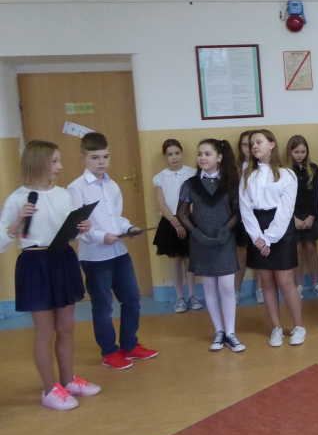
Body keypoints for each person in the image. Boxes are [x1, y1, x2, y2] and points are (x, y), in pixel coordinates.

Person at [0, 141, 101, 410]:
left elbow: (68, 230)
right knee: (44, 332)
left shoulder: (63, 195)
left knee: (66, 327)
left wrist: (81, 227)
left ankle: (68, 380)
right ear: (39, 162)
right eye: (55, 161)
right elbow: (2, 240)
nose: (60, 167)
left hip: (62, 259)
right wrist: (16, 223)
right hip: (35, 264)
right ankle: (49, 389)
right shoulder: (17, 198)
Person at [68, 132, 158, 369]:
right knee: (103, 305)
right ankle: (109, 352)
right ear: (83, 158)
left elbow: (116, 217)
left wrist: (128, 228)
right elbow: (78, 227)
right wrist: (101, 237)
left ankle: (130, 345)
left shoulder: (113, 185)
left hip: (119, 252)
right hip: (95, 257)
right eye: (95, 157)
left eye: (105, 157)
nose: (101, 162)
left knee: (132, 298)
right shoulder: (76, 188)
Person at [176, 139, 244, 352]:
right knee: (209, 286)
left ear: (219, 157)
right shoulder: (191, 184)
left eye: (207, 154)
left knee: (227, 287)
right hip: (201, 241)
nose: (203, 158)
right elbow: (181, 213)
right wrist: (196, 233)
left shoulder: (231, 182)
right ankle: (219, 331)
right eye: (200, 154)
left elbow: (238, 211)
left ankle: (231, 333)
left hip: (224, 240)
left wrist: (226, 230)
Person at [240, 129, 306, 347]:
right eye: (251, 143)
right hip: (256, 229)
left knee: (285, 281)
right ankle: (276, 327)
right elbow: (245, 209)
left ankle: (298, 326)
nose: (254, 146)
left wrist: (269, 238)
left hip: (280, 228)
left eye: (258, 142)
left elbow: (286, 211)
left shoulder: (287, 174)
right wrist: (258, 238)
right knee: (267, 282)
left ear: (271, 144)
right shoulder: (247, 175)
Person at [152, 138, 202, 313]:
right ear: (165, 156)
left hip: (188, 220)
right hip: (170, 223)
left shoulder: (192, 173)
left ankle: (192, 296)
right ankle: (180, 298)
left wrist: (184, 220)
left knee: (189, 259)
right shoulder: (160, 177)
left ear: (182, 153)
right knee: (175, 261)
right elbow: (161, 204)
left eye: (177, 153)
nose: (174, 157)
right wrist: (175, 222)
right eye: (170, 154)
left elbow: (195, 200)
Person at [287, 135, 318, 298]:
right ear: (289, 152)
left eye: (303, 152)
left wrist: (312, 216)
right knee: (296, 249)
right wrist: (293, 218)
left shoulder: (314, 169)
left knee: (311, 248)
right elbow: (283, 198)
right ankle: (298, 285)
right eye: (296, 152)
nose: (299, 155)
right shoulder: (285, 171)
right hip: (292, 216)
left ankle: (316, 283)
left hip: (311, 214)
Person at [235, 130, 255, 305]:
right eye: (244, 144)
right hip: (240, 216)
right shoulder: (235, 167)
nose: (248, 148)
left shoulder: (262, 166)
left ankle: (261, 288)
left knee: (260, 250)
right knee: (241, 252)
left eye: (251, 144)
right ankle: (236, 290)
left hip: (259, 216)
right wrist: (240, 213)